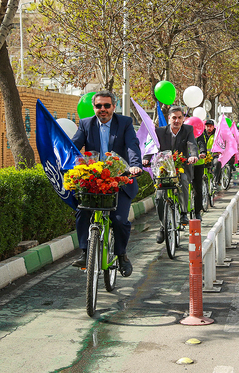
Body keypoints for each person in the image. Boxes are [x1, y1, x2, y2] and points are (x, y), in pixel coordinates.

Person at [71, 91, 142, 277]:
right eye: (99, 106)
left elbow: (131, 146)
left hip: (119, 180)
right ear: (94, 108)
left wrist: (134, 166)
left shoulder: (125, 123)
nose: (103, 109)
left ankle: (121, 255)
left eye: (107, 106)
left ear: (113, 107)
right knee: (82, 211)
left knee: (119, 221)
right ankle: (86, 252)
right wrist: (63, 161)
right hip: (94, 181)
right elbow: (74, 147)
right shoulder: (86, 124)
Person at [142, 106, 198, 244]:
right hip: (164, 168)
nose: (177, 120)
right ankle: (162, 227)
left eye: (180, 117)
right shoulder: (160, 131)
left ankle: (184, 213)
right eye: (174, 117)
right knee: (160, 196)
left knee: (184, 181)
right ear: (169, 118)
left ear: (183, 118)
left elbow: (192, 145)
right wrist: (146, 158)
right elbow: (152, 146)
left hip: (182, 166)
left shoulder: (188, 130)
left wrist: (194, 156)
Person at [192, 124, 208, 220]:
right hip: (184, 163)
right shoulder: (181, 133)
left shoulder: (198, 133)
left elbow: (202, 143)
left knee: (197, 188)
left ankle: (198, 211)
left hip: (198, 163)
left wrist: (202, 152)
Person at [205, 119, 222, 187]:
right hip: (204, 156)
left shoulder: (217, 134)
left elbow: (221, 143)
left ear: (213, 127)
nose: (209, 128)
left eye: (210, 126)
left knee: (217, 162)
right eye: (207, 126)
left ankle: (216, 180)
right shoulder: (202, 134)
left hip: (214, 155)